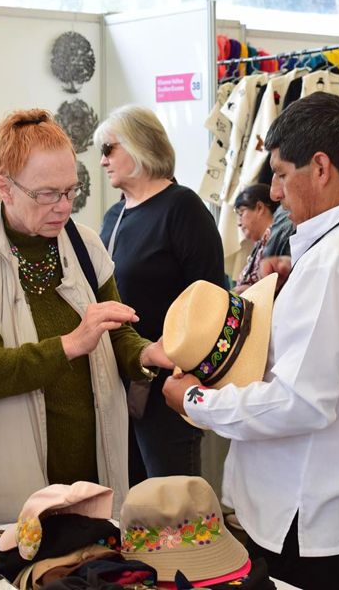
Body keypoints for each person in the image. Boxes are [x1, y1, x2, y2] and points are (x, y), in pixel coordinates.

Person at [162, 92, 339, 590]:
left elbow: (300, 403)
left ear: (320, 167)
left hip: (306, 519)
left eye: (280, 173)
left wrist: (197, 401)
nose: (274, 192)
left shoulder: (336, 261)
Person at [0, 108, 173, 522]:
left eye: (71, 191)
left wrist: (145, 354)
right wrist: (70, 345)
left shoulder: (84, 245)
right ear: (4, 188)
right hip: (13, 468)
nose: (64, 207)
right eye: (47, 194)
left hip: (90, 464)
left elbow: (115, 332)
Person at [93, 105, 226, 486]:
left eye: (108, 149)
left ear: (138, 146)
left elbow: (210, 301)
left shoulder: (183, 209)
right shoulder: (114, 215)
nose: (103, 161)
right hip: (120, 384)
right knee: (130, 507)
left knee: (171, 508)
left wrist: (187, 374)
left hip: (168, 388)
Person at [232, 183, 281, 293]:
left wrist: (251, 292)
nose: (239, 223)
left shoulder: (274, 239)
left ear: (259, 207)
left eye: (241, 213)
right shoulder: (265, 241)